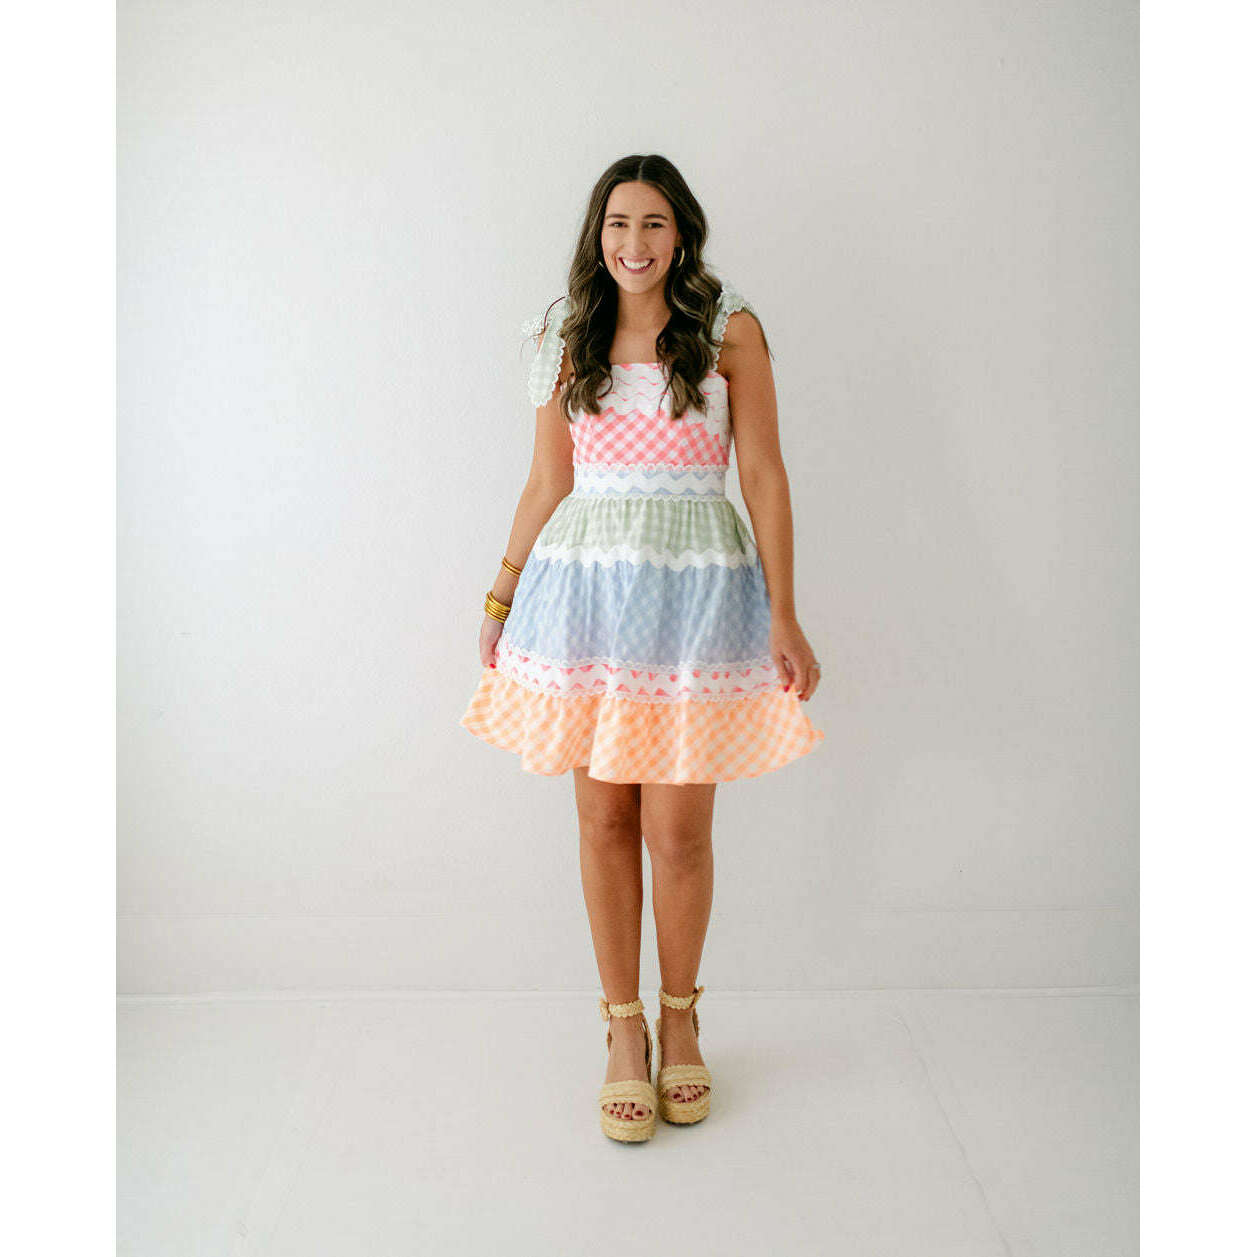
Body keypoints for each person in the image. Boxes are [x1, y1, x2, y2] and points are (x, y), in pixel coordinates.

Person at [459, 154, 825, 1142]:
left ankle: (682, 1017)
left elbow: (764, 474)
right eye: (618, 223)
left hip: (693, 604)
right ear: (598, 234)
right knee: (602, 819)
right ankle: (624, 1030)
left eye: (654, 223)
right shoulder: (565, 333)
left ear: (682, 233)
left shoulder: (729, 330)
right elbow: (547, 481)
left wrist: (785, 612)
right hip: (586, 599)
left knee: (679, 830)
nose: (635, 243)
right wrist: (500, 594)